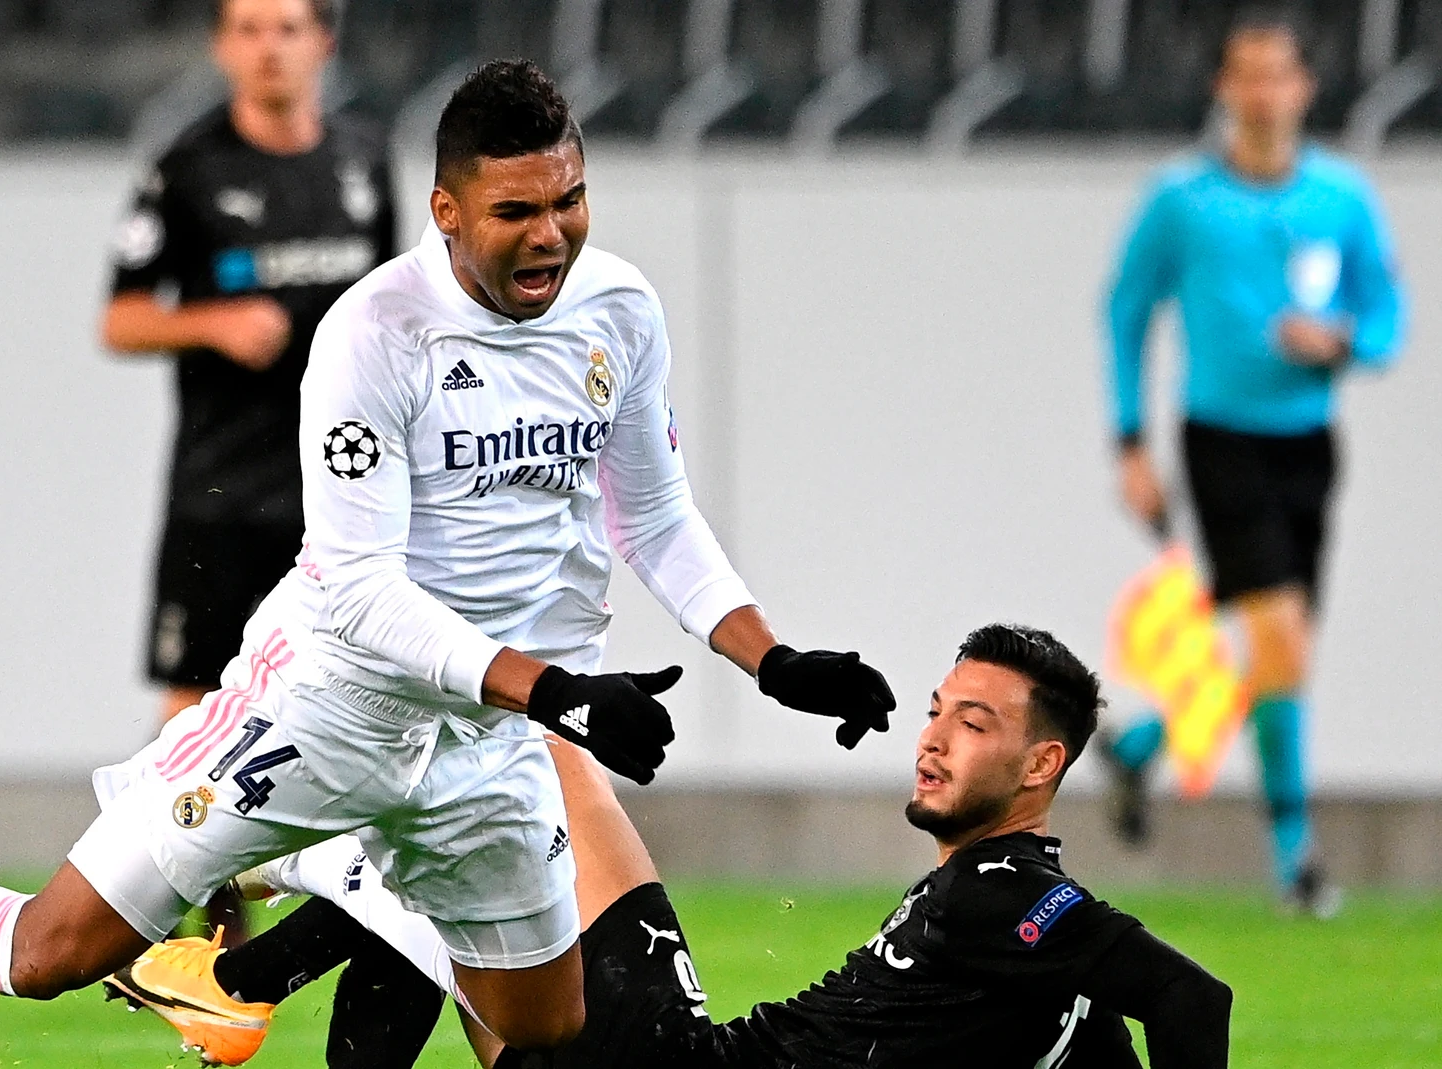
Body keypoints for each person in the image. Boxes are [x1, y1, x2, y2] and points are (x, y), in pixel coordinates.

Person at [0, 60, 896, 1069]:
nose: (550, 235)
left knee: (551, 1028)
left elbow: (655, 514)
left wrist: (771, 656)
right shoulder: (373, 337)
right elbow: (360, 592)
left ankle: (346, 860)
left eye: (568, 200)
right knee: (54, 947)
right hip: (336, 699)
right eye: (517, 211)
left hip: (493, 740)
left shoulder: (618, 310)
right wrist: (558, 692)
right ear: (446, 209)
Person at [109, 624, 1233, 1069]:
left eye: (973, 724)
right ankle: (240, 975)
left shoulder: (1003, 897)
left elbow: (1195, 1003)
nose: (932, 737)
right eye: (937, 708)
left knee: (524, 764)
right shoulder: (1030, 948)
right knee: (474, 876)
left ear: (1042, 768)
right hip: (669, 1056)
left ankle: (240, 970)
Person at [1098, 5, 1404, 915]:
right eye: (1247, 75)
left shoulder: (1339, 200)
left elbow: (1388, 316)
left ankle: (1144, 743)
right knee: (1278, 639)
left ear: (1305, 88)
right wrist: (1128, 438)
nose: (1264, 93)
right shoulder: (1183, 200)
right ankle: (1296, 858)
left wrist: (1343, 340)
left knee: (1283, 652)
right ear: (1224, 89)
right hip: (1221, 437)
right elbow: (1123, 312)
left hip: (1307, 443)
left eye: (1280, 75)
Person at [104, 0, 396, 948]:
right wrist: (212, 323)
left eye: (288, 27)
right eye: (250, 28)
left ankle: (349, 903)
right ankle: (190, 932)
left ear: (325, 43)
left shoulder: (363, 160)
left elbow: (395, 308)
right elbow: (123, 318)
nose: (269, 47)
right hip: (218, 493)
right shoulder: (185, 169)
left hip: (338, 494)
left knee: (362, 687)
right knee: (195, 701)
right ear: (223, 47)